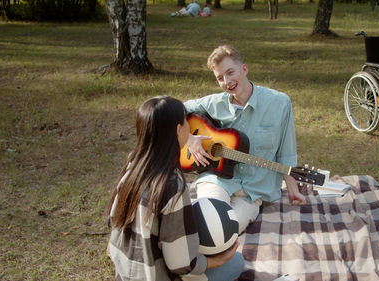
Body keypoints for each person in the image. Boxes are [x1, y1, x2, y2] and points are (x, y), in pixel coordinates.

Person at [107, 96, 244, 281]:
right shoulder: (172, 185)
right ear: (179, 130)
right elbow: (180, 265)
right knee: (236, 262)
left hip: (123, 272)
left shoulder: (134, 163)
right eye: (186, 123)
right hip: (154, 275)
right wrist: (218, 260)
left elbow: (113, 220)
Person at [184, 45, 307, 234]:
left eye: (230, 72)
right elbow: (170, 109)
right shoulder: (214, 103)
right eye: (220, 78)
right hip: (216, 180)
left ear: (244, 69)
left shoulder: (280, 103)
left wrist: (293, 189)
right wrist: (189, 138)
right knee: (204, 223)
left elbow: (286, 152)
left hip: (253, 192)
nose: (227, 81)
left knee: (224, 231)